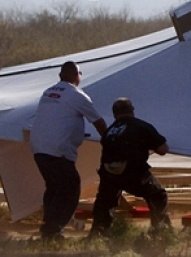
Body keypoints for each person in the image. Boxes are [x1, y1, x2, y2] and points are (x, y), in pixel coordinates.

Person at [30, 61, 108, 240]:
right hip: (58, 149)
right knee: (70, 188)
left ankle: (48, 226)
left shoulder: (48, 92)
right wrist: (110, 140)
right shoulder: (77, 95)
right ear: (76, 76)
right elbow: (98, 121)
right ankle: (53, 229)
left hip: (39, 147)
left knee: (54, 187)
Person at [89, 98, 171, 238]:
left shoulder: (109, 131)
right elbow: (163, 149)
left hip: (109, 173)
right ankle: (159, 231)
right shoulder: (141, 126)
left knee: (104, 201)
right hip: (134, 172)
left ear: (115, 114)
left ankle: (98, 233)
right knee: (158, 195)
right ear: (132, 111)